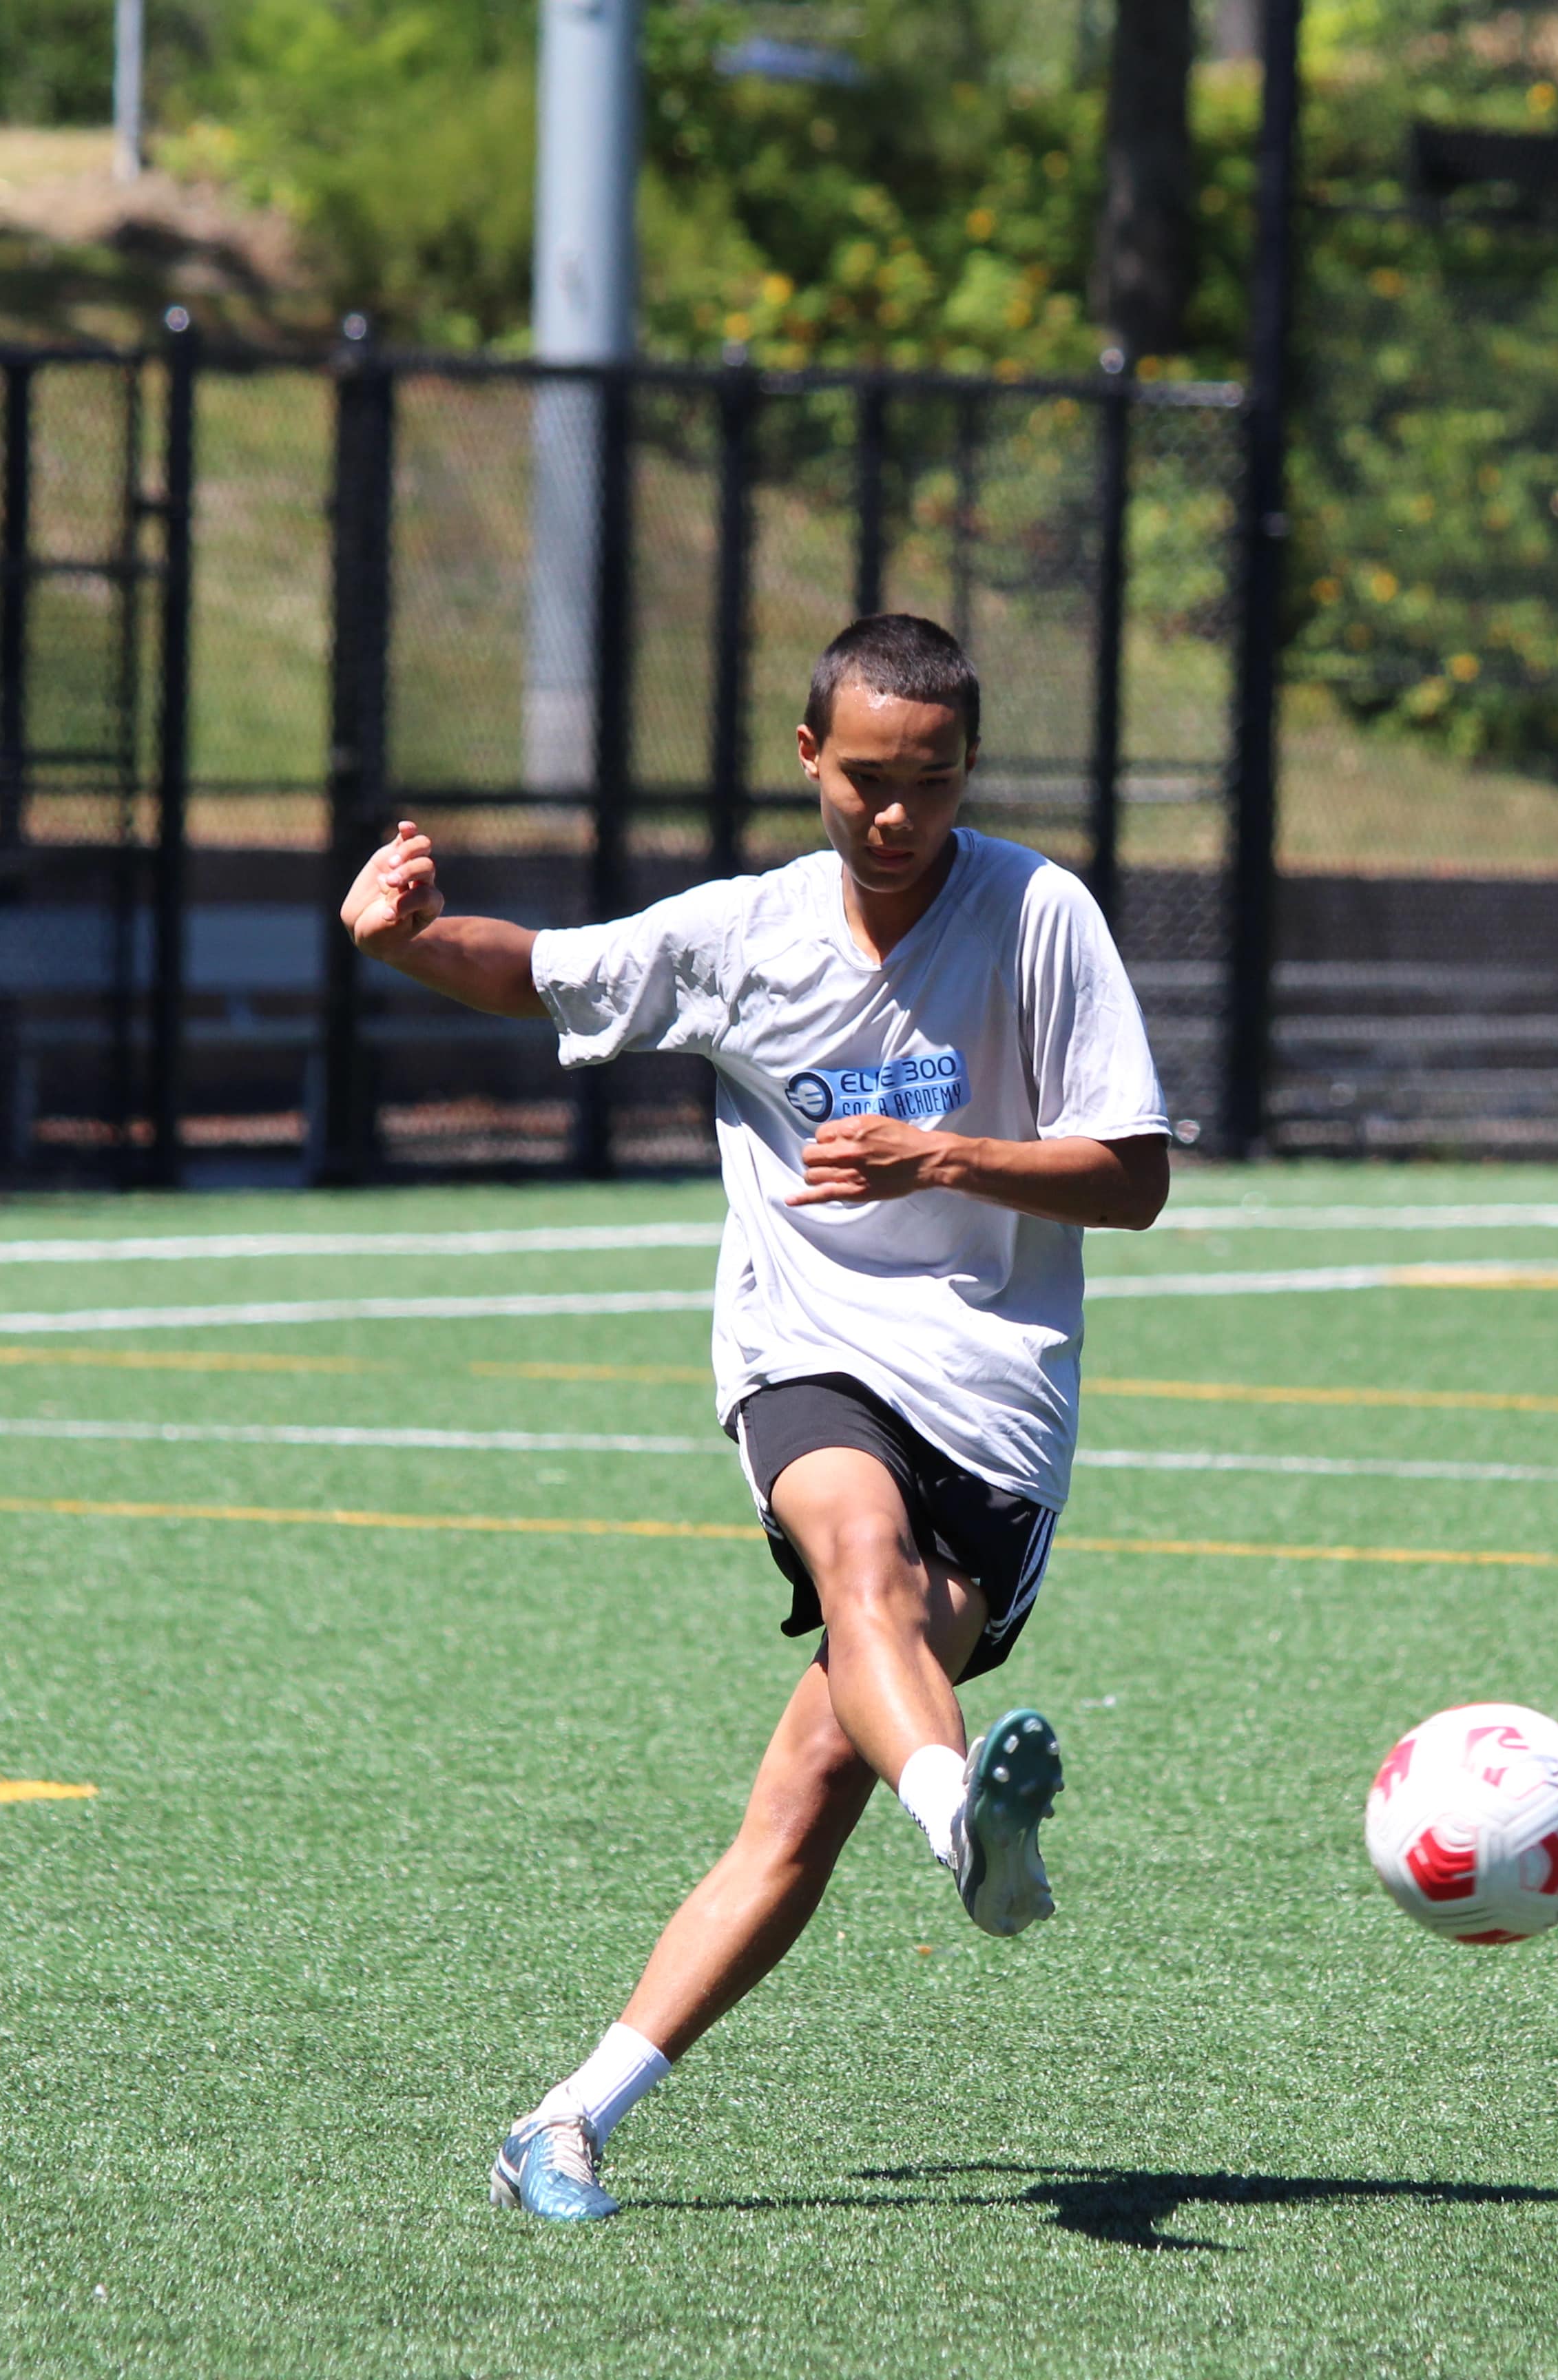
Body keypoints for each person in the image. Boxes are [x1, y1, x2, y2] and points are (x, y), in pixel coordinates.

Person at [337, 612, 1172, 2222]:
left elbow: (1130, 1176)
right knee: (859, 1561)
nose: (894, 815)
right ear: (808, 758)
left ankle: (563, 2123)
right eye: (864, 779)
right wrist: (401, 940)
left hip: (997, 1408)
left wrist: (947, 1158)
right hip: (807, 1356)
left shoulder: (1040, 916)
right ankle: (965, 1825)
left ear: (968, 772)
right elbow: (548, 969)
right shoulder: (749, 932)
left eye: (929, 784)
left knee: (798, 1806)